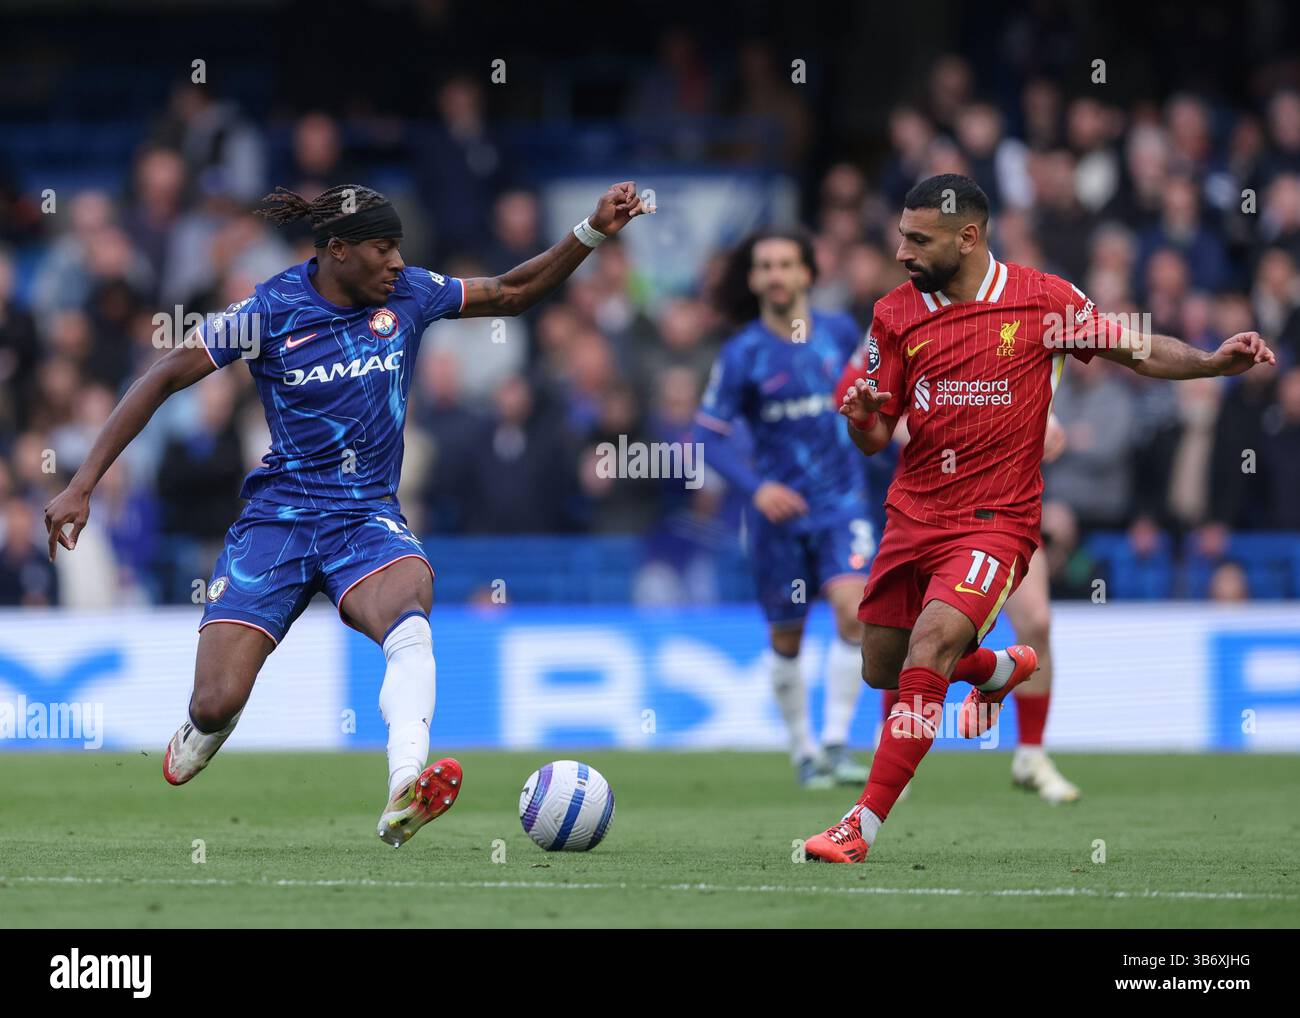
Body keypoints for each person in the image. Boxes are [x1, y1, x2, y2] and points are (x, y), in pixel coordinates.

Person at [43, 181, 653, 848]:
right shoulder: (269, 309)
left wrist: (591, 230)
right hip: (278, 520)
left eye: (399, 249)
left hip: (365, 518)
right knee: (214, 700)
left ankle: (402, 789)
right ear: (338, 250)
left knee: (410, 613)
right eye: (384, 248)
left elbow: (512, 291)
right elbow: (163, 375)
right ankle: (205, 728)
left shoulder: (412, 295)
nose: (397, 262)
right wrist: (82, 484)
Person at [804, 173, 1274, 863]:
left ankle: (861, 826)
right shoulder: (895, 313)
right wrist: (867, 421)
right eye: (901, 235)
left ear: (968, 238)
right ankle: (995, 668)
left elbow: (1135, 350)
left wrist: (1210, 362)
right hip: (912, 514)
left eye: (917, 239)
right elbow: (875, 435)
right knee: (883, 666)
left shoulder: (1043, 301)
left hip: (997, 519)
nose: (901, 250)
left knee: (929, 646)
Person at [693, 229, 873, 789]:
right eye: (765, 266)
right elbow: (709, 436)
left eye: (786, 264)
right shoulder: (742, 352)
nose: (775, 274)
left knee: (855, 610)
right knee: (787, 639)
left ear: (806, 274)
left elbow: (877, 399)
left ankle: (839, 743)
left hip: (842, 504)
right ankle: (804, 752)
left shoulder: (841, 334)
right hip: (777, 518)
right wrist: (757, 488)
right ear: (753, 279)